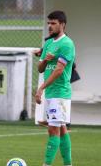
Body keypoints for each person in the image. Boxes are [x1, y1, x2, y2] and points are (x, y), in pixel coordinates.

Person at [35, 10, 75, 166]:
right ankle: (68, 164)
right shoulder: (49, 43)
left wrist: (41, 88)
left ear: (62, 25)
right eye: (49, 23)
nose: (50, 26)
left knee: (53, 130)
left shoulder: (67, 44)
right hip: (52, 93)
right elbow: (40, 68)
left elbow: (59, 70)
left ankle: (46, 164)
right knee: (62, 129)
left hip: (60, 93)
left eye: (53, 23)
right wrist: (45, 59)